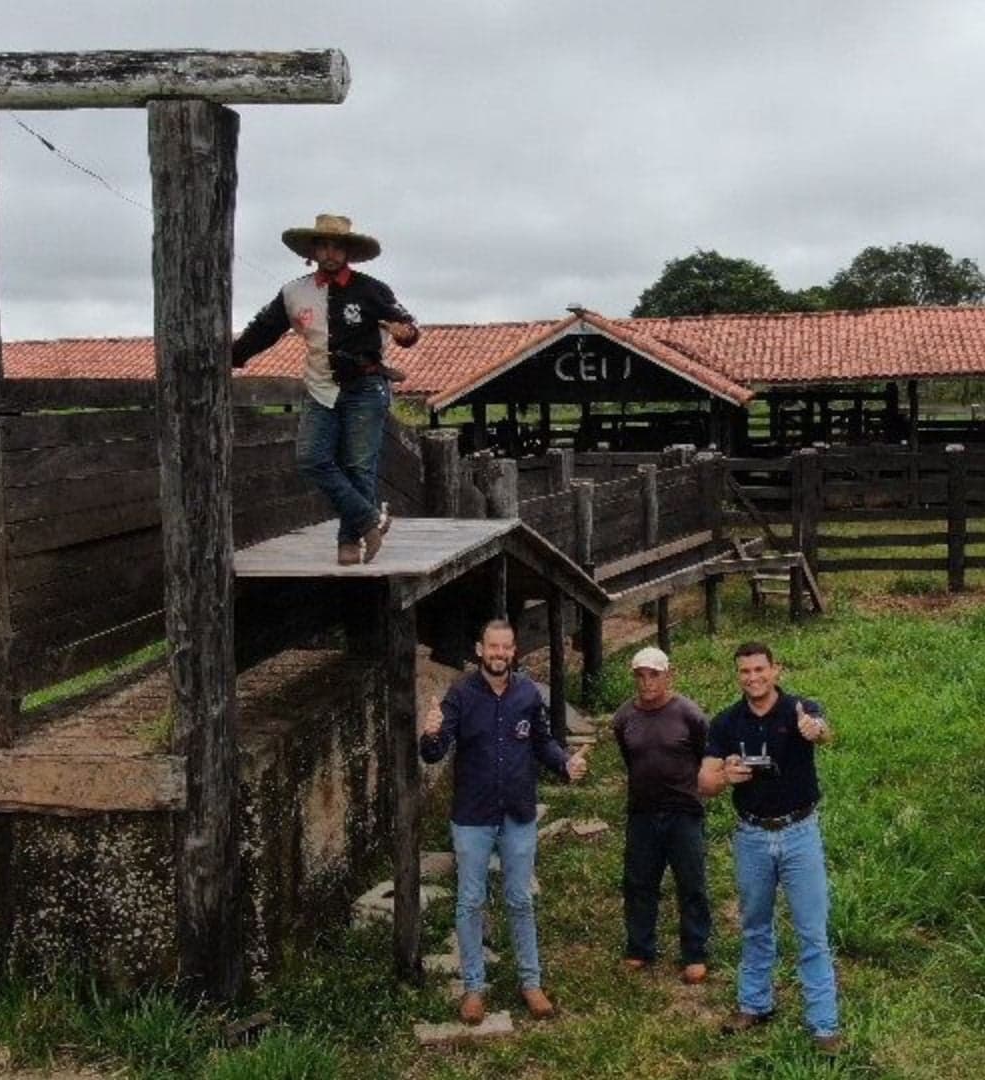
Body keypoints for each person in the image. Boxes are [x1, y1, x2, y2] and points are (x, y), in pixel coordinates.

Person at [420, 619, 588, 1025]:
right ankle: (474, 988)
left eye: (506, 648)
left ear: (514, 651)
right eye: (492, 647)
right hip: (472, 817)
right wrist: (430, 733)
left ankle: (531, 983)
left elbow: (542, 742)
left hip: (518, 814)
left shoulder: (528, 693)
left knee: (520, 899)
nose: (499, 654)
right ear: (480, 649)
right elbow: (434, 753)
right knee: (470, 900)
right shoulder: (461, 694)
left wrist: (565, 763)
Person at [230, 213, 421, 566]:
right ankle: (370, 520)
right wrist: (231, 356)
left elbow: (405, 324)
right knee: (311, 458)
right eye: (324, 245)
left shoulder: (371, 289)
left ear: (348, 251)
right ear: (313, 250)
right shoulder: (294, 292)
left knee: (358, 466)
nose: (331, 253)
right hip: (321, 386)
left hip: (365, 386)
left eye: (338, 246)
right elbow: (263, 330)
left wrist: (405, 332)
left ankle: (349, 545)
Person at [698, 641, 842, 1054]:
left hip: (800, 832)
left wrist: (816, 730)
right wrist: (726, 776)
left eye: (760, 669)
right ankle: (755, 1004)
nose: (753, 677)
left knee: (811, 930)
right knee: (755, 925)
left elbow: (823, 731)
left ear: (775, 670)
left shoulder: (800, 709)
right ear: (737, 676)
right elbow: (704, 783)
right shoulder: (726, 723)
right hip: (752, 836)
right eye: (745, 671)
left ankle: (823, 1025)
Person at [611, 646, 711, 985]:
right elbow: (630, 757)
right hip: (642, 812)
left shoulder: (688, 714)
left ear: (669, 675)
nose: (647, 682)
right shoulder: (624, 717)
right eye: (640, 675)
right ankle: (639, 947)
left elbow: (704, 753)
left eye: (654, 674)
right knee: (639, 881)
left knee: (691, 882)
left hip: (684, 811)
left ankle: (695, 952)